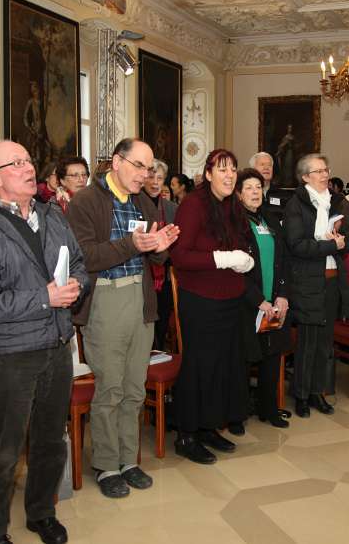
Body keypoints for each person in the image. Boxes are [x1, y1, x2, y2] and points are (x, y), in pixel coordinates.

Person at [0, 140, 89, 544]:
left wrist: (76, 285)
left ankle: (41, 512)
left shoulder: (52, 215)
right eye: (17, 163)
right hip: (13, 352)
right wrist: (44, 298)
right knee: (5, 449)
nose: (29, 168)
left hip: (57, 344)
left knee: (50, 440)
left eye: (29, 160)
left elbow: (79, 264)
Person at [66, 138, 179, 498]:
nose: (145, 175)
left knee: (134, 387)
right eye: (138, 166)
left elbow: (153, 258)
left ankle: (128, 459)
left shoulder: (143, 201)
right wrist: (135, 244)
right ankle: (106, 464)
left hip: (140, 299)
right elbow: (85, 256)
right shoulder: (86, 201)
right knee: (110, 388)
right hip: (105, 299)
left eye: (149, 168)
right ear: (117, 162)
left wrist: (160, 248)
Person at [170, 148, 254, 464]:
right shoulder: (193, 205)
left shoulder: (232, 205)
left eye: (233, 169)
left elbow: (240, 243)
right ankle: (187, 434)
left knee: (224, 367)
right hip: (201, 300)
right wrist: (223, 258)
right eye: (222, 169)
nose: (229, 175)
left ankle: (208, 426)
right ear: (208, 174)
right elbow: (180, 256)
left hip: (231, 298)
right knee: (200, 367)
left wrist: (244, 258)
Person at [283, 153, 349, 418]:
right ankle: (301, 394)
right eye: (319, 171)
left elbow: (348, 237)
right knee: (308, 343)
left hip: (332, 279)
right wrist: (329, 245)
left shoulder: (336, 201)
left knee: (325, 343)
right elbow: (296, 245)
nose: (325, 175)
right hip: (307, 280)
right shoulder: (296, 204)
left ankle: (317, 392)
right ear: (305, 177)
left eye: (326, 170)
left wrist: (341, 240)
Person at [236, 168, 291, 428]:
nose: (255, 192)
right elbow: (234, 271)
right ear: (238, 194)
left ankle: (268, 408)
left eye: (258, 187)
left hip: (274, 302)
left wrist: (283, 296)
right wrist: (258, 300)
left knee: (272, 355)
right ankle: (237, 413)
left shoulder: (270, 219)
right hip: (247, 303)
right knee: (244, 359)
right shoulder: (235, 224)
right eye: (248, 188)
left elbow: (285, 260)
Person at [145, 159, 178, 351]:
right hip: (143, 275)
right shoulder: (135, 203)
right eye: (151, 177)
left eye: (159, 178)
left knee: (162, 321)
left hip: (165, 277)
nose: (155, 182)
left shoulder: (172, 208)